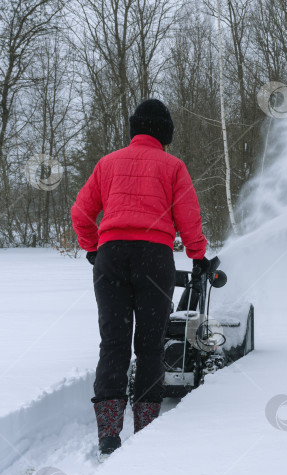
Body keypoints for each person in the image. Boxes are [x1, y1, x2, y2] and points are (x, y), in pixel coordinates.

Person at [71, 98, 211, 455]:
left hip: (111, 257)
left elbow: (81, 212)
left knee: (113, 343)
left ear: (134, 129)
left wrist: (93, 248)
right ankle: (146, 427)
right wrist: (197, 255)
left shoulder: (107, 163)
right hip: (153, 258)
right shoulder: (172, 166)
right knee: (150, 345)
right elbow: (188, 218)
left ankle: (107, 432)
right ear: (165, 133)